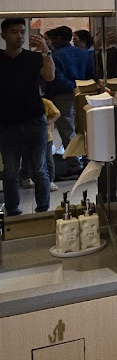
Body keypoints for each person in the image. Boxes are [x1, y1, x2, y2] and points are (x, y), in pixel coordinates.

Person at [0, 18, 55, 215]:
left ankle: (43, 210)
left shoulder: (33, 58)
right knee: (10, 172)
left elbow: (49, 76)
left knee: (40, 170)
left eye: (22, 32)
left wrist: (45, 51)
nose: (20, 36)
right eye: (14, 32)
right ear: (3, 35)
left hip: (34, 120)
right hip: (7, 123)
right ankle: (13, 212)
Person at [46, 25, 94, 177]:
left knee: (67, 130)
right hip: (85, 93)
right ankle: (89, 159)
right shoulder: (84, 54)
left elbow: (58, 78)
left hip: (64, 96)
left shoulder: (55, 56)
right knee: (86, 128)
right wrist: (81, 88)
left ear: (59, 38)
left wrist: (72, 88)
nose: (52, 42)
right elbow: (92, 73)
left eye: (53, 39)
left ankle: (75, 165)